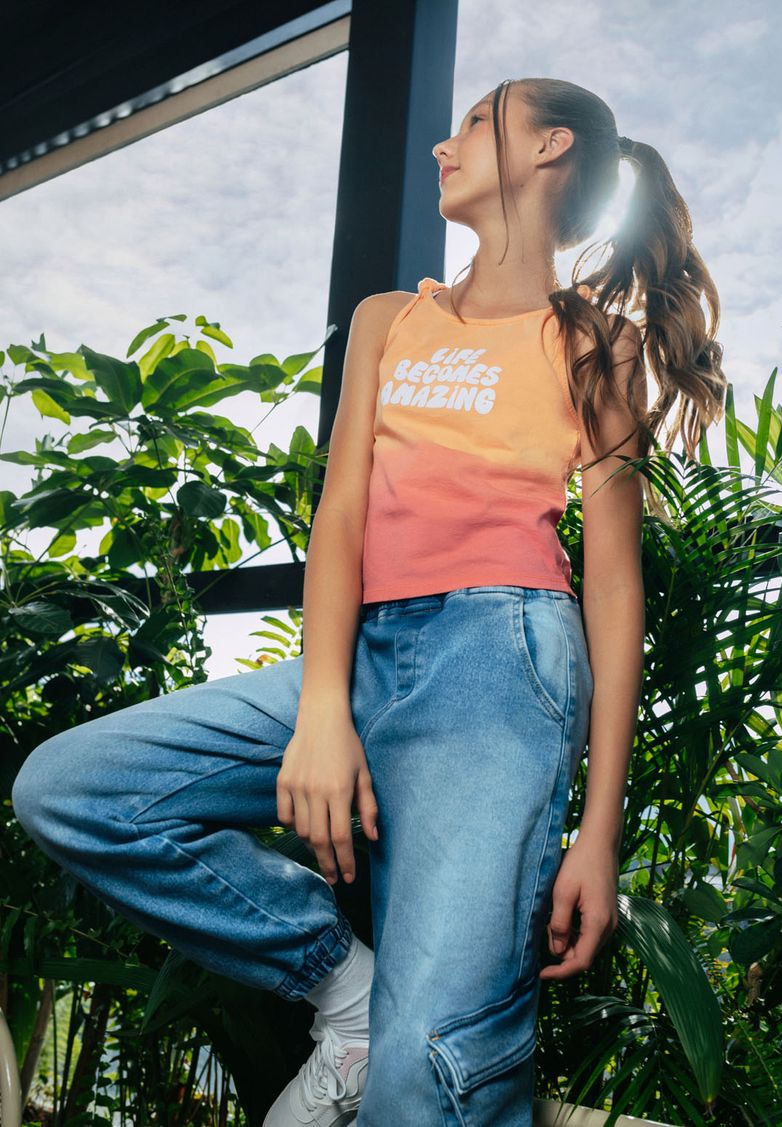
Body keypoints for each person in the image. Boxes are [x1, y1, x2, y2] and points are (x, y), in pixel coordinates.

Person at [11, 76, 727, 1126]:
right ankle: (344, 993)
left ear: (548, 148)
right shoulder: (390, 319)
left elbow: (615, 583)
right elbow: (340, 510)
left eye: (474, 122)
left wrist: (598, 829)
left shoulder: (594, 342)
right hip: (357, 656)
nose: (443, 144)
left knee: (423, 1070)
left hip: (499, 664)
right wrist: (321, 706)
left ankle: (393, 1046)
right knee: (74, 788)